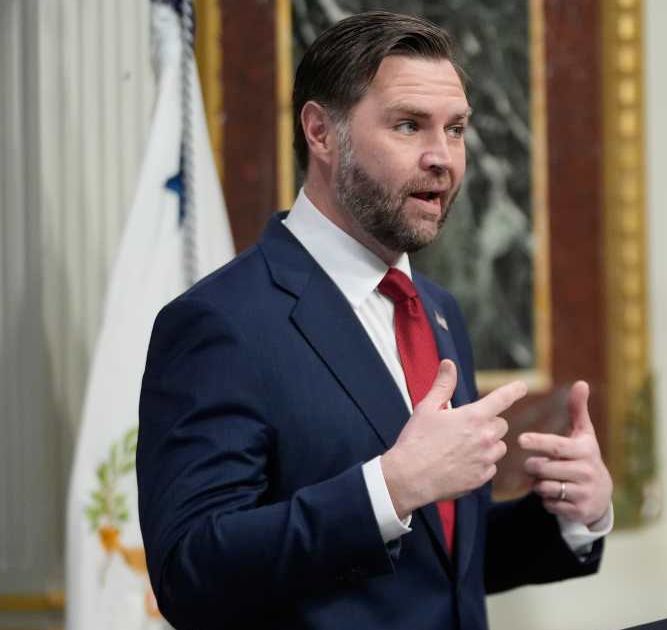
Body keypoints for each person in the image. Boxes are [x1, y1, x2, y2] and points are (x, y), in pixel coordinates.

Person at [137, 12, 613, 629]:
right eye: (408, 125)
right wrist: (388, 488)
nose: (442, 158)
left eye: (457, 129)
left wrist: (573, 514)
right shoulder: (219, 323)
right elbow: (191, 572)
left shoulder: (438, 314)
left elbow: (435, 565)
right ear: (321, 133)